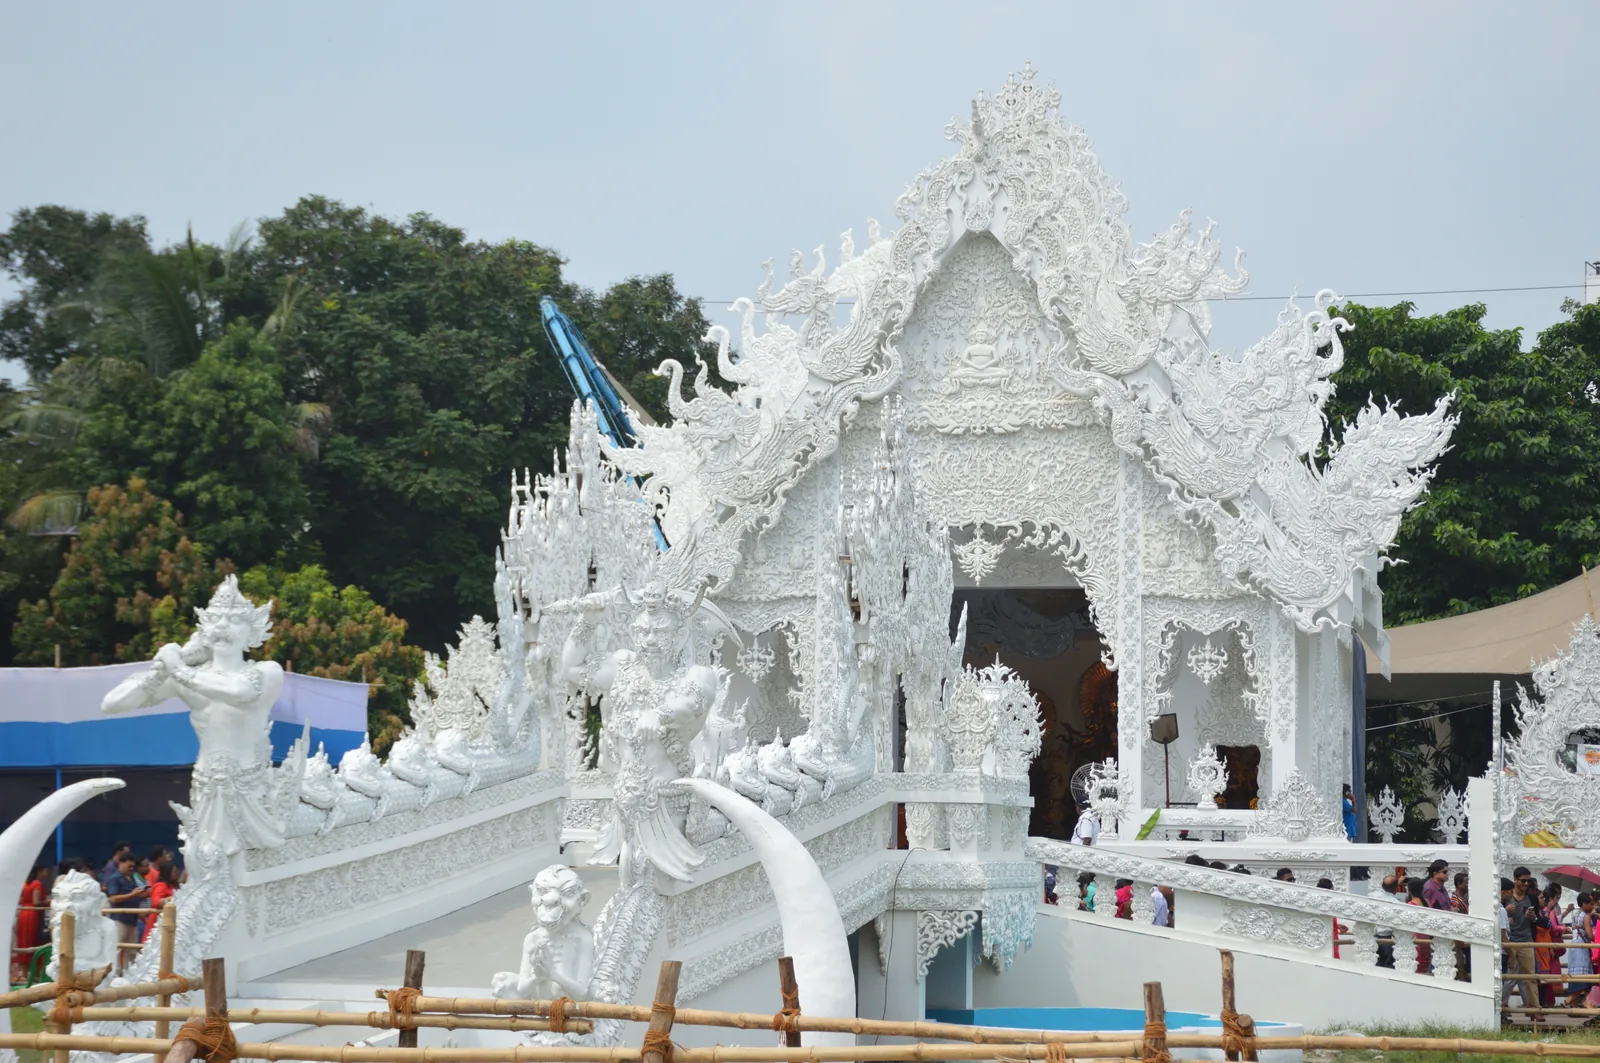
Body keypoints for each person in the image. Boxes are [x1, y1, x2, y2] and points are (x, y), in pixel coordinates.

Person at [1505, 867, 1547, 1018]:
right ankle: (1500, 1007)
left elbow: (1544, 922)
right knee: (1508, 977)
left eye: (1528, 881)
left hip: (1526, 940)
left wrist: (1534, 918)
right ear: (1515, 879)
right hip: (1508, 941)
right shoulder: (1506, 897)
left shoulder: (1532, 899)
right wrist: (1506, 912)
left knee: (1530, 977)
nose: (1526, 884)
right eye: (1523, 881)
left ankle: (1534, 1009)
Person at [103, 853, 149, 971]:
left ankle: (130, 974)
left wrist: (142, 894)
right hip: (120, 919)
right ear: (121, 863)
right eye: (129, 866)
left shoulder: (132, 878)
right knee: (117, 948)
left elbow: (134, 896)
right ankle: (114, 973)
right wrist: (132, 894)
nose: (131, 868)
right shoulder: (114, 879)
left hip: (132, 919)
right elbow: (113, 898)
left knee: (132, 951)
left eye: (133, 866)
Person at [12, 864, 47, 981]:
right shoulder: (36, 884)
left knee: (24, 943)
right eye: (45, 871)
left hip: (23, 913)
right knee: (33, 942)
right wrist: (47, 902)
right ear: (39, 871)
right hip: (32, 915)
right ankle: (35, 974)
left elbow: (21, 900)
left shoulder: (24, 884)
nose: (46, 874)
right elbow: (36, 902)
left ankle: (25, 973)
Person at [1565, 892, 1595, 1009]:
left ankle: (1574, 1007)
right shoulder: (1586, 917)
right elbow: (1590, 935)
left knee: (1575, 975)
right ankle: (1569, 1000)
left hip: (1574, 946)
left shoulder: (1575, 915)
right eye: (1590, 904)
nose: (1592, 906)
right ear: (1583, 904)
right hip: (1581, 947)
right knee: (1584, 977)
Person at [142, 862, 179, 943]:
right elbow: (156, 902)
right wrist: (174, 898)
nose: (177, 873)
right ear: (167, 872)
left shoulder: (172, 886)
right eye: (174, 871)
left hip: (168, 921)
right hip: (157, 921)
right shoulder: (160, 885)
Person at [1407, 878, 1433, 973]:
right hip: (1425, 935)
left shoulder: (1410, 905)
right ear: (1422, 889)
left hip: (1416, 935)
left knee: (1418, 961)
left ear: (1409, 890)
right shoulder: (1426, 902)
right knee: (1425, 959)